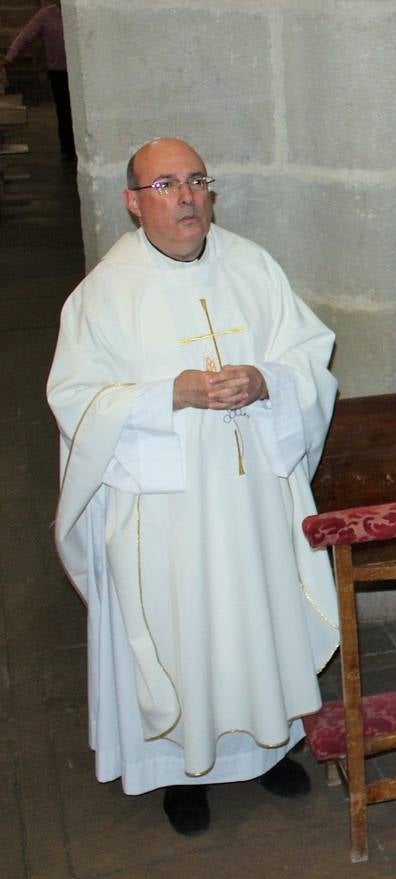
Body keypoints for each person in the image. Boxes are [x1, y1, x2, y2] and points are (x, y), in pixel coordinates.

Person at [47, 138, 340, 835]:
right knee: (181, 628)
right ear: (133, 201)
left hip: (250, 502)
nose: (186, 197)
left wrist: (267, 379)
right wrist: (165, 394)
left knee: (254, 616)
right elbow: (75, 400)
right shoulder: (104, 294)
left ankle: (265, 748)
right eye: (166, 184)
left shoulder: (251, 266)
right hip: (165, 510)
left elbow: (308, 354)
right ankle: (177, 773)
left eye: (197, 182)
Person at [0, 0, 74, 159]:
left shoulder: (77, 14)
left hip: (79, 72)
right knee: (64, 111)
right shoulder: (46, 15)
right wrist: (9, 57)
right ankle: (68, 149)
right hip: (59, 72)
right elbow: (25, 36)